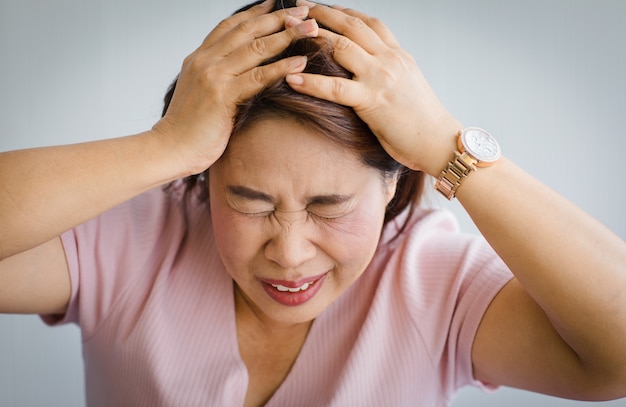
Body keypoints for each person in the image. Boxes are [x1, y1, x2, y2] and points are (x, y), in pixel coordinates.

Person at [1, 0, 625, 406]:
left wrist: (444, 145)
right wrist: (165, 146)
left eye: (329, 206)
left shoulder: (435, 281)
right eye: (248, 201)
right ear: (201, 179)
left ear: (390, 185)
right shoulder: (133, 238)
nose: (290, 253)